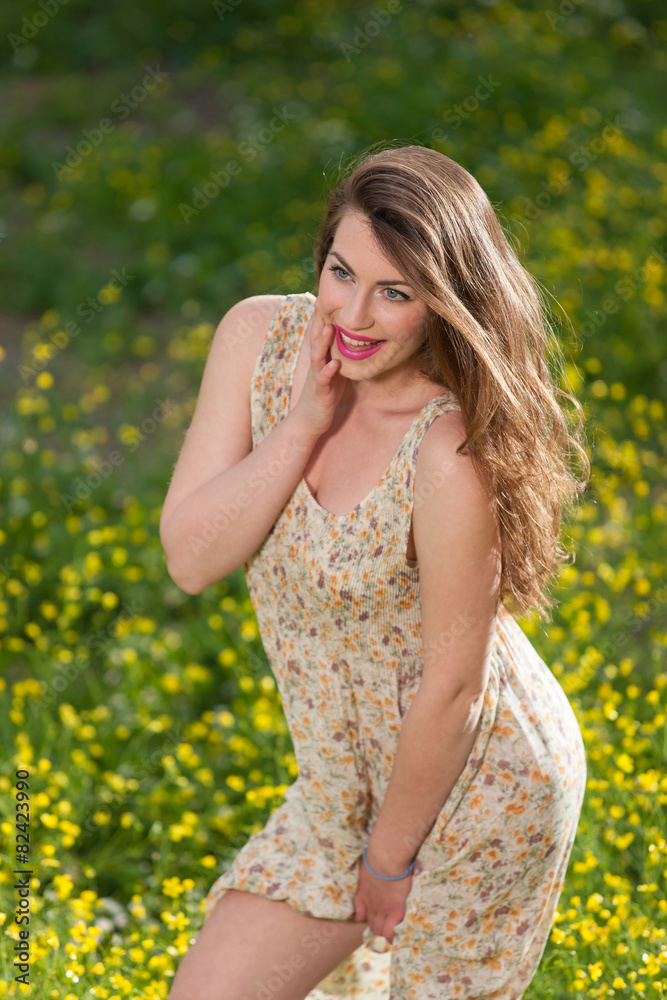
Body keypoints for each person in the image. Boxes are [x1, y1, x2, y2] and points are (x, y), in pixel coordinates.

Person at [160, 142, 591, 1000]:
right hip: (339, 782)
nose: (353, 313)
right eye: (340, 272)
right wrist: (298, 429)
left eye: (394, 292)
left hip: (479, 788)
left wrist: (388, 863)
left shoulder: (447, 450)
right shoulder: (259, 341)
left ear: (443, 303)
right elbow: (191, 557)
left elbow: (453, 690)